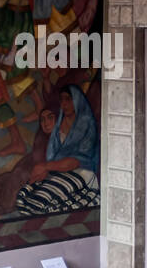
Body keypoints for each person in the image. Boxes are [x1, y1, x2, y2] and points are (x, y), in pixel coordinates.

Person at [15, 85, 100, 215]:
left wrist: (46, 167)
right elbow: (53, 158)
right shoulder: (59, 124)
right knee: (25, 195)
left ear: (76, 100)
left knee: (43, 200)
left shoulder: (86, 124)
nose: (64, 103)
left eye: (68, 99)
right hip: (58, 171)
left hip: (82, 173)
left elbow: (77, 161)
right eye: (62, 100)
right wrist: (46, 170)